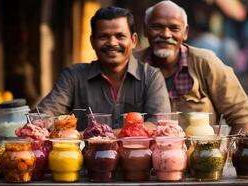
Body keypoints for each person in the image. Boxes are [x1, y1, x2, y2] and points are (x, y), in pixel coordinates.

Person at [38, 6, 171, 130]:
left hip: (137, 154)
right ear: (92, 41)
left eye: (120, 36)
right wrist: (41, 124)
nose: (112, 43)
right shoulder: (73, 77)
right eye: (104, 36)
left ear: (133, 40)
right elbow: (46, 114)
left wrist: (103, 136)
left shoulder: (151, 76)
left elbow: (158, 124)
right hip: (83, 155)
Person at [135, 1, 248, 135]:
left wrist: (227, 151)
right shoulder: (133, 65)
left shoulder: (205, 63)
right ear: (145, 30)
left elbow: (242, 116)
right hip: (145, 154)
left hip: (200, 154)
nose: (166, 34)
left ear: (185, 32)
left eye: (174, 28)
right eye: (157, 27)